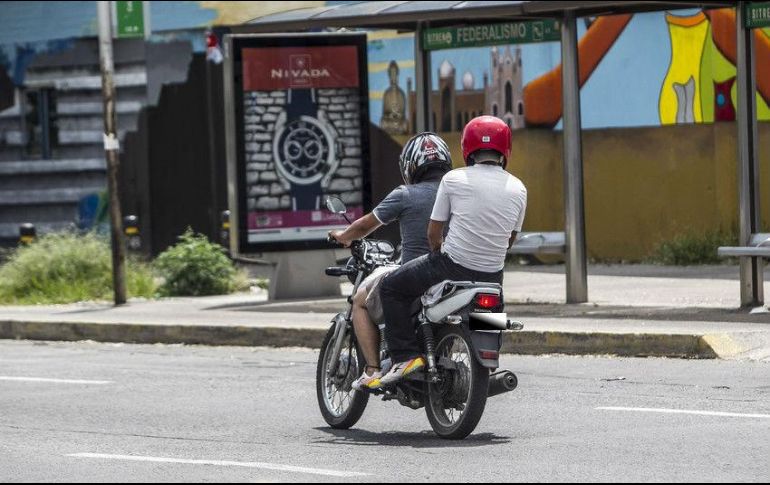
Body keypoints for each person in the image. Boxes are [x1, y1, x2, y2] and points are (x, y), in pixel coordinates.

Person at [377, 115, 528, 386]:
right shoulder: (519, 188)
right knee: (492, 313)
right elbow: (509, 239)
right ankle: (489, 362)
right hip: (493, 275)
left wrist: (436, 254)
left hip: (451, 265)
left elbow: (434, 233)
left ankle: (405, 356)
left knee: (390, 287)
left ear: (466, 148)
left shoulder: (453, 179)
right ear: (506, 150)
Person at [328, 132, 453, 391]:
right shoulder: (459, 192)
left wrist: (344, 236)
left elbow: (366, 225)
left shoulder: (406, 194)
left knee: (360, 301)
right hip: (456, 274)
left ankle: (373, 369)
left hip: (416, 276)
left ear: (410, 166)